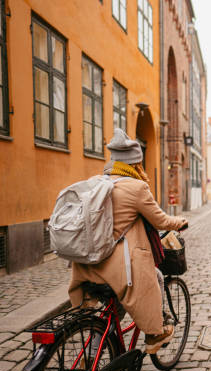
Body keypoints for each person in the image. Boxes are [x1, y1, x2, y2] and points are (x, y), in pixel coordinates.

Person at [68, 128, 188, 354]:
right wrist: (180, 221)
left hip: (86, 266)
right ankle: (154, 333)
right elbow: (160, 220)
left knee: (108, 314)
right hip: (116, 269)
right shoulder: (136, 187)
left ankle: (88, 364)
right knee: (158, 277)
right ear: (136, 164)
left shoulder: (96, 182)